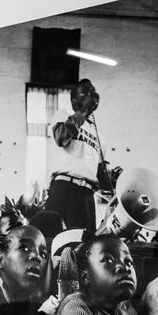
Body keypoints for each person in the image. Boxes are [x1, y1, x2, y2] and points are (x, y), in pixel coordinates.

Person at [44, 79, 108, 229]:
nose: (91, 95)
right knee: (55, 235)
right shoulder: (63, 115)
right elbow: (61, 137)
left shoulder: (100, 136)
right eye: (85, 92)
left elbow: (100, 175)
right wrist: (83, 111)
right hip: (64, 188)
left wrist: (113, 177)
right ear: (73, 100)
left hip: (87, 195)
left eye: (92, 92)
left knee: (85, 240)